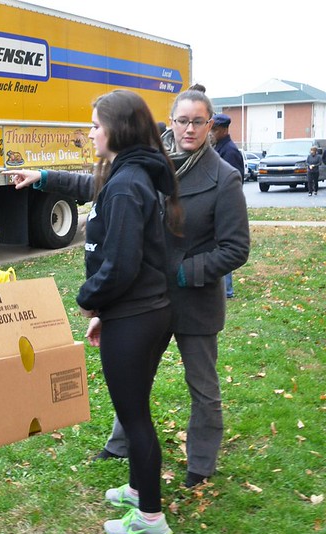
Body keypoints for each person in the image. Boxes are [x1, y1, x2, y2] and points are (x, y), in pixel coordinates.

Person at [7, 90, 182, 534]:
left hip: (137, 315)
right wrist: (43, 176)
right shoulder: (129, 174)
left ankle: (149, 519)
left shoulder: (127, 184)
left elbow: (121, 264)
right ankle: (139, 487)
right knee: (136, 409)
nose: (89, 133)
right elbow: (93, 192)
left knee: (135, 416)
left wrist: (89, 299)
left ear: (117, 131)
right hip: (140, 311)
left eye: (95, 126)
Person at [98, 88, 251, 488]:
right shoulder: (154, 164)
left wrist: (186, 271)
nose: (189, 129)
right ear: (171, 120)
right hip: (149, 296)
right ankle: (120, 444)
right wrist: (45, 177)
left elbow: (236, 248)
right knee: (137, 375)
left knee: (203, 387)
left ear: (211, 125)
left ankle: (200, 463)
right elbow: (103, 188)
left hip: (194, 299)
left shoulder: (224, 177)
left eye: (199, 121)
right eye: (182, 120)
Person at [210, 113, 244, 299]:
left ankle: (227, 290)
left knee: (224, 247)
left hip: (224, 207)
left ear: (223, 130)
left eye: (214, 129)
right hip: (216, 206)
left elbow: (233, 182)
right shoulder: (219, 148)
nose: (211, 133)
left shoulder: (229, 151)